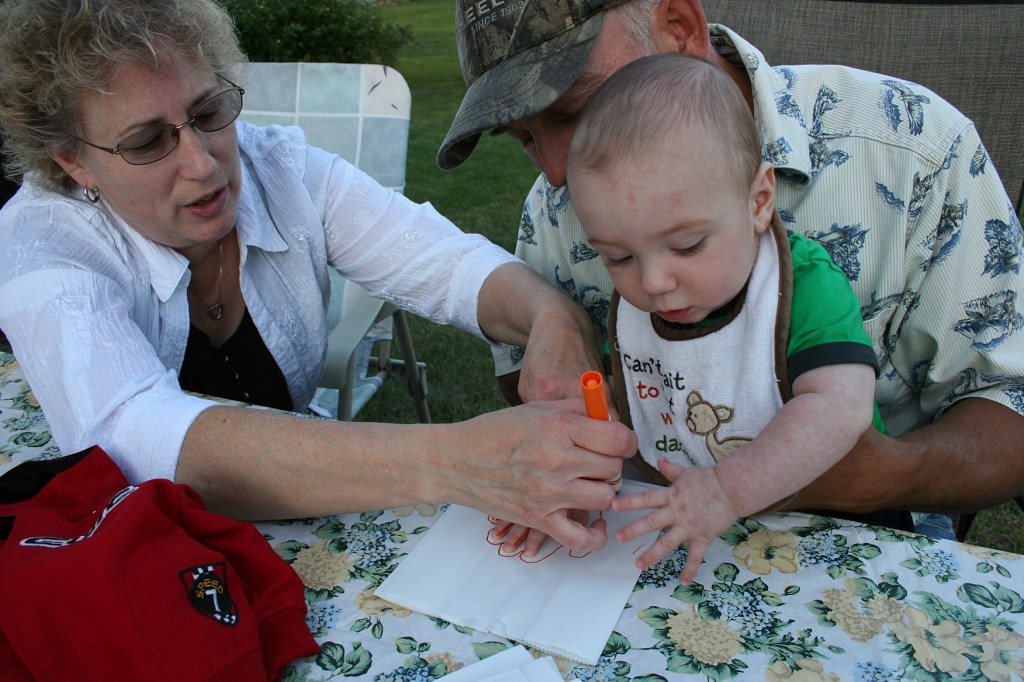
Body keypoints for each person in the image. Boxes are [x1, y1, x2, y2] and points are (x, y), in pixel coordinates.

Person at [0, 0, 637, 551]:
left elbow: (448, 264)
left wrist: (552, 317)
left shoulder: (282, 170)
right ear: (71, 160)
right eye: (147, 143)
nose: (202, 163)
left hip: (302, 530)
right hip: (140, 560)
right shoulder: (42, 248)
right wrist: (457, 461)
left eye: (210, 110)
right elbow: (134, 436)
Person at [438, 0, 1024, 538]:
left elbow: (1010, 402)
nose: (558, 171)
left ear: (679, 28)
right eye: (523, 138)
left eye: (576, 107)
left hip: (851, 535)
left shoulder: (913, 148)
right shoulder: (554, 207)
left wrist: (882, 476)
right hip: (653, 532)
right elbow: (533, 387)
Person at [566, 53, 881, 583]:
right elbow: (628, 396)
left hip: (838, 532)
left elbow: (841, 407)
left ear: (759, 201)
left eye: (688, 246)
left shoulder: (800, 284)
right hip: (693, 532)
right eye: (618, 257)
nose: (653, 283)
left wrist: (724, 489)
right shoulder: (644, 301)